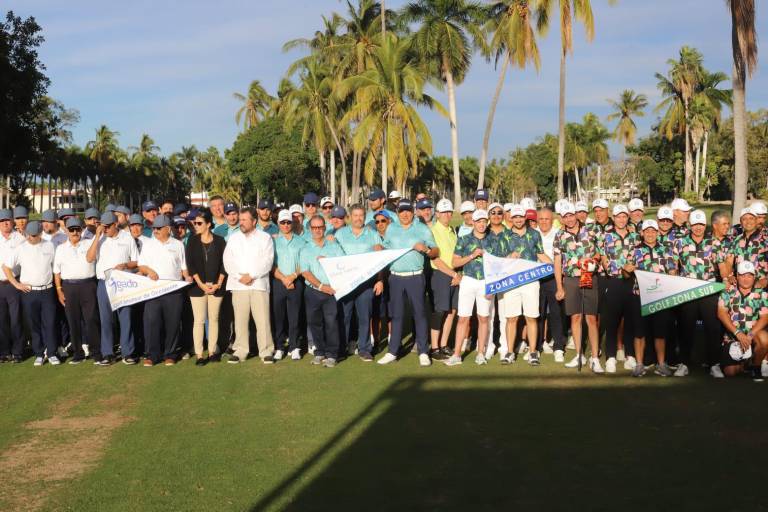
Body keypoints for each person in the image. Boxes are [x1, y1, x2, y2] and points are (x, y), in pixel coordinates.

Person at [379, 199, 438, 367]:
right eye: (402, 211)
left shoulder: (421, 228)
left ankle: (423, 352)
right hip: (395, 277)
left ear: (413, 212)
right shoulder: (391, 228)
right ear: (397, 212)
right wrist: (380, 249)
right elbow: (386, 248)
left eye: (408, 211)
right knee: (396, 315)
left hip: (415, 276)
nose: (405, 214)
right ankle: (392, 351)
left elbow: (435, 251)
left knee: (419, 314)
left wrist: (426, 249)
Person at [672, 209, 724, 377]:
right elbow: (674, 267)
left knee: (712, 328)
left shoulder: (714, 243)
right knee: (685, 328)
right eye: (695, 224)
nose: (698, 228)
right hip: (687, 292)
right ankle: (684, 364)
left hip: (709, 291)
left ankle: (714, 364)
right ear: (690, 225)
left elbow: (722, 268)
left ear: (705, 225)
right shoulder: (680, 243)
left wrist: (726, 280)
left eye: (701, 224)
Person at [553, 202, 603, 373]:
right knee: (575, 317)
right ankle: (579, 354)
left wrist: (592, 260)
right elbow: (558, 262)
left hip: (588, 275)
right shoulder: (559, 235)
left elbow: (600, 252)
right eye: (565, 216)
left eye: (571, 215)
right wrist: (559, 286)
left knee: (591, 318)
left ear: (576, 214)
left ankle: (595, 358)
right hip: (571, 279)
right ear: (561, 218)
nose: (569, 219)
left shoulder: (591, 230)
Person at [137, 215, 192, 366]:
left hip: (174, 291)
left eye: (158, 228)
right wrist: (149, 271)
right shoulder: (148, 245)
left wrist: (187, 277)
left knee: (172, 323)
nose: (155, 231)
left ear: (168, 229)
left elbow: (183, 266)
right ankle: (152, 355)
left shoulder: (178, 245)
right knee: (152, 323)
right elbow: (141, 265)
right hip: (153, 290)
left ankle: (170, 354)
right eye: (154, 228)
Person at [222, 207, 275, 364]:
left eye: (245, 220)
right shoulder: (233, 238)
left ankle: (266, 351)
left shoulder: (265, 238)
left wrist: (251, 275)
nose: (241, 222)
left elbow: (268, 261)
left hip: (258, 284)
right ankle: (241, 351)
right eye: (241, 219)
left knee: (263, 320)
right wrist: (240, 277)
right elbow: (228, 261)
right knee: (240, 320)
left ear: (254, 221)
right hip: (239, 286)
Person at [3, 221, 58, 366]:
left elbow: (55, 267)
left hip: (47, 290)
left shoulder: (49, 245)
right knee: (34, 324)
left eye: (35, 235)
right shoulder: (20, 249)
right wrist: (16, 284)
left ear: (41, 233)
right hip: (29, 292)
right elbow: (6, 267)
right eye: (30, 235)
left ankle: (52, 353)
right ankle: (39, 353)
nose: (32, 238)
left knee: (50, 322)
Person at [88, 211, 139, 365]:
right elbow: (89, 258)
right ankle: (108, 353)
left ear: (116, 224)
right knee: (106, 320)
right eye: (103, 226)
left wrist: (125, 265)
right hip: (104, 282)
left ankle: (128, 352)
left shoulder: (127, 237)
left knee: (125, 317)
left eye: (108, 226)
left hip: (122, 281)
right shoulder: (99, 238)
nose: (105, 229)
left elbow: (136, 261)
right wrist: (97, 237)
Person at [628, 220, 678, 377]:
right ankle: (639, 364)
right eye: (647, 231)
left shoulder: (666, 250)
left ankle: (661, 364)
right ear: (642, 233)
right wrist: (625, 270)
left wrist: (672, 274)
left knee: (660, 333)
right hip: (640, 296)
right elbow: (625, 274)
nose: (650, 234)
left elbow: (672, 272)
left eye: (653, 231)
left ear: (657, 232)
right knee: (639, 332)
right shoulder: (635, 250)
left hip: (659, 297)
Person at [335, 204, 384, 361]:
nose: (358, 218)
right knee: (345, 316)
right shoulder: (340, 234)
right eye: (355, 215)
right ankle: (342, 347)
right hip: (345, 283)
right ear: (349, 217)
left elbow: (380, 260)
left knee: (364, 317)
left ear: (365, 216)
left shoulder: (373, 234)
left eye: (361, 215)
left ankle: (364, 349)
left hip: (366, 283)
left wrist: (380, 280)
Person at [503, 205, 551, 366]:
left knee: (531, 317)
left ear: (525, 217)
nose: (517, 219)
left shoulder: (535, 234)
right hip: (512, 282)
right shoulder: (505, 235)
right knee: (512, 318)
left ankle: (533, 352)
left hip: (530, 282)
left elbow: (540, 254)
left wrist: (553, 266)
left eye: (520, 217)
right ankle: (509, 352)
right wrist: (509, 257)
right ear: (511, 218)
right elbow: (498, 260)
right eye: (515, 217)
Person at [53, 217, 101, 365]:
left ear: (81, 230)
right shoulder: (61, 248)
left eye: (78, 229)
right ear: (67, 231)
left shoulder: (89, 243)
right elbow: (57, 272)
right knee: (73, 321)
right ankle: (78, 353)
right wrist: (59, 290)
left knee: (91, 319)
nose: (75, 232)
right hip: (69, 287)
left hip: (88, 285)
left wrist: (97, 235)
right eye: (72, 230)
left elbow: (91, 258)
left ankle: (96, 352)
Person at [446, 209, 491, 366]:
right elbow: (455, 262)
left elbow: (499, 265)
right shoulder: (464, 239)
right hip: (468, 280)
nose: (481, 224)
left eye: (484, 221)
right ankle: (457, 354)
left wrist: (493, 286)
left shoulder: (493, 240)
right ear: (473, 222)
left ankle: (480, 354)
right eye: (478, 221)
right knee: (463, 318)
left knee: (483, 318)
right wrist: (473, 255)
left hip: (486, 282)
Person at [599, 204, 639, 373]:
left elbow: (639, 256)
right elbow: (602, 256)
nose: (621, 219)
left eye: (624, 216)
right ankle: (610, 357)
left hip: (631, 282)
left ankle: (630, 355)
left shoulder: (635, 236)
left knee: (630, 320)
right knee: (612, 321)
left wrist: (632, 267)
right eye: (618, 216)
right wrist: (606, 264)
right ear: (613, 218)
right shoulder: (606, 235)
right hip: (614, 281)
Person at [300, 214, 345, 367]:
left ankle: (332, 355)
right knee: (314, 322)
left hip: (331, 290)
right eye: (314, 228)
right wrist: (320, 286)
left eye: (320, 227)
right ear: (310, 229)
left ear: (325, 228)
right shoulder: (305, 248)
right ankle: (320, 352)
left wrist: (328, 261)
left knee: (331, 322)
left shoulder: (334, 246)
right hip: (313, 291)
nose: (318, 230)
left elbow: (343, 264)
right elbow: (305, 272)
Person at [185, 210, 226, 366]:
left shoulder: (220, 241)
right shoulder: (192, 241)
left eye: (199, 223)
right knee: (199, 320)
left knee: (214, 319)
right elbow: (191, 265)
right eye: (195, 223)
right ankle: (199, 354)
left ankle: (212, 351)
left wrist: (218, 284)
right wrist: (202, 285)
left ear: (208, 224)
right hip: (197, 287)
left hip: (217, 286)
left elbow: (225, 264)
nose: (196, 225)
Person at [716, 260, 768, 381]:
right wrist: (738, 334)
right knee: (730, 372)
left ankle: (756, 367)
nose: (746, 279)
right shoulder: (728, 291)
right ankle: (746, 364)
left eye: (749, 275)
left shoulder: (761, 294)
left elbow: (765, 317)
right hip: (733, 337)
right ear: (737, 276)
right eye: (743, 275)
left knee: (765, 339)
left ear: (754, 277)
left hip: (753, 335)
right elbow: (721, 313)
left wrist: (749, 335)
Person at [272, 209, 307, 361]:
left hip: (296, 282)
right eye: (283, 222)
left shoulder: (301, 241)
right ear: (278, 223)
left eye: (288, 222)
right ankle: (280, 347)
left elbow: (304, 263)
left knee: (295, 317)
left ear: (292, 223)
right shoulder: (272, 241)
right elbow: (270, 265)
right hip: (278, 282)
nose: (286, 225)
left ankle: (294, 346)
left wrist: (292, 277)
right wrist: (284, 278)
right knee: (279, 317)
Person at [428, 199, 459, 361]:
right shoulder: (432, 231)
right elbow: (435, 259)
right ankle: (434, 347)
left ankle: (444, 344)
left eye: (449, 212)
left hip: (454, 275)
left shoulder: (452, 230)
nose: (447, 215)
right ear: (437, 214)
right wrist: (453, 275)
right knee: (439, 312)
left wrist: (457, 274)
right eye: (443, 212)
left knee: (452, 311)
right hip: (440, 275)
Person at [536, 207, 566, 362]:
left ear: (551, 219)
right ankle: (538, 345)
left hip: (554, 279)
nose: (544, 222)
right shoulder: (533, 234)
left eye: (546, 219)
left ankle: (559, 347)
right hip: (536, 279)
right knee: (538, 314)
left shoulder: (558, 234)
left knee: (555, 313)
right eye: (541, 219)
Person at [0, 209, 26, 363]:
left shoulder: (19, 239)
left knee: (16, 318)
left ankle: (18, 351)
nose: (5, 223)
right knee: (1, 319)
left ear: (12, 221)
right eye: (2, 221)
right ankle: (4, 351)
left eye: (8, 220)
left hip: (14, 283)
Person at [723, 206, 768, 289]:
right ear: (740, 222)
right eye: (744, 219)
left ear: (756, 220)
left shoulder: (765, 240)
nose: (748, 222)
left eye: (751, 218)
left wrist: (766, 280)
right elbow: (728, 261)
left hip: (761, 288)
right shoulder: (736, 240)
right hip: (739, 287)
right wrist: (729, 275)